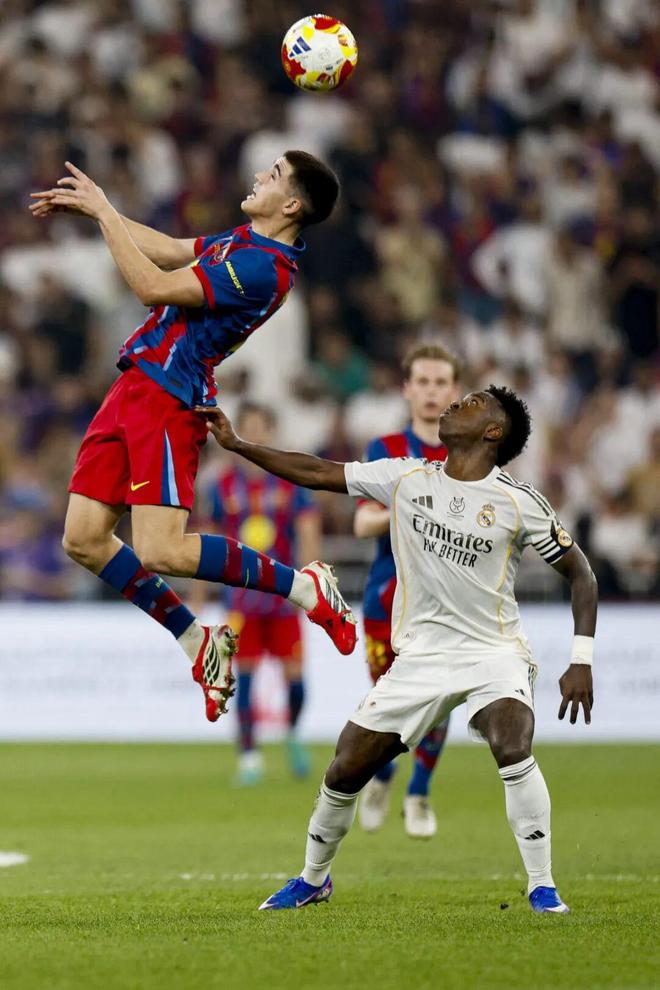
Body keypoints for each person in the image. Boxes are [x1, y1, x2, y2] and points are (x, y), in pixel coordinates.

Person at [199, 385, 597, 915]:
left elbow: (581, 574)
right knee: (345, 767)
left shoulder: (518, 502)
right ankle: (313, 879)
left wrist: (581, 659)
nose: (455, 402)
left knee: (511, 740)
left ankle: (542, 886)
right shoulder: (406, 477)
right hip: (421, 658)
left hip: (493, 652)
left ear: (493, 431)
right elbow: (316, 471)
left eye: (473, 402)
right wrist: (239, 445)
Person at [29, 151, 356, 723]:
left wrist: (105, 213)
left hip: (170, 398)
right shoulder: (243, 241)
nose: (259, 175)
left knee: (162, 550)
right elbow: (168, 250)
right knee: (82, 539)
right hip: (134, 385)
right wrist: (100, 210)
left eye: (274, 174)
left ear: (291, 204)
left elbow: (152, 286)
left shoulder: (264, 269)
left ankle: (305, 587)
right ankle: (196, 640)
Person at [353, 343, 460, 839]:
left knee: (439, 698)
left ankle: (418, 791)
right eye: (423, 382)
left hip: (447, 602)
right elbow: (363, 522)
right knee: (388, 700)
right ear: (407, 389)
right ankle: (383, 774)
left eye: (440, 382)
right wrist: (413, 504)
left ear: (455, 391)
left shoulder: (470, 452)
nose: (431, 391)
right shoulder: (387, 448)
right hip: (388, 596)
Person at [191, 402, 321, 783]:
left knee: (295, 682)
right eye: (246, 427)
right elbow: (205, 541)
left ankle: (292, 733)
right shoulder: (222, 487)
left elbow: (308, 533)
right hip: (241, 601)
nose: (253, 434)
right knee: (242, 679)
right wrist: (198, 594)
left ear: (271, 432)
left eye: (260, 427)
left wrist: (312, 585)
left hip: (284, 598)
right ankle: (249, 756)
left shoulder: (288, 482)